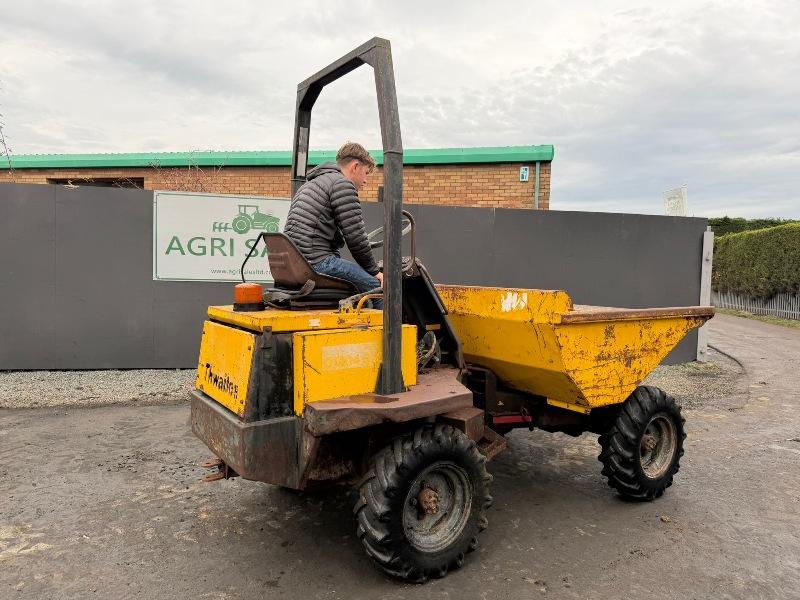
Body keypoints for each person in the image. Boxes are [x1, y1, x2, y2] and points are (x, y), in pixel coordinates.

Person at [283, 142, 383, 306]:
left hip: (295, 264)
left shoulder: (312, 184)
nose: (366, 181)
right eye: (366, 173)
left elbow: (333, 233)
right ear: (355, 166)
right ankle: (389, 324)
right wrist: (374, 271)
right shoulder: (342, 185)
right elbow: (356, 238)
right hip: (316, 263)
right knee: (377, 288)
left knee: (360, 290)